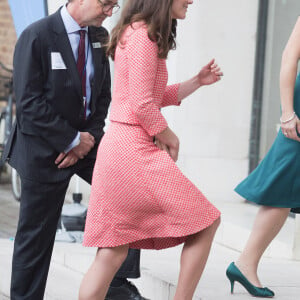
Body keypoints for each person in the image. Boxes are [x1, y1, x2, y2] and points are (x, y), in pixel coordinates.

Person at [2, 0, 147, 299]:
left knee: (131, 190)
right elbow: (28, 105)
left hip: (87, 143)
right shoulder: (37, 36)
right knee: (35, 240)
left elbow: (103, 96)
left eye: (114, 6)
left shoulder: (98, 36)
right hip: (44, 151)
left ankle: (116, 284)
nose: (110, 12)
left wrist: (88, 139)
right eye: (107, 5)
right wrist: (70, 140)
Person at [79, 0, 223, 299]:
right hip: (132, 150)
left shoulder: (137, 31)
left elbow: (152, 96)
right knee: (206, 221)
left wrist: (197, 81)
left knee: (112, 251)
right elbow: (143, 105)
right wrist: (169, 137)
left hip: (121, 147)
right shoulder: (143, 35)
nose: (191, 1)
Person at [226, 17, 300, 298]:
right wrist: (287, 112)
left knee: (283, 187)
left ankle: (245, 263)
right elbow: (289, 57)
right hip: (299, 114)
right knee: (281, 185)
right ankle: (245, 263)